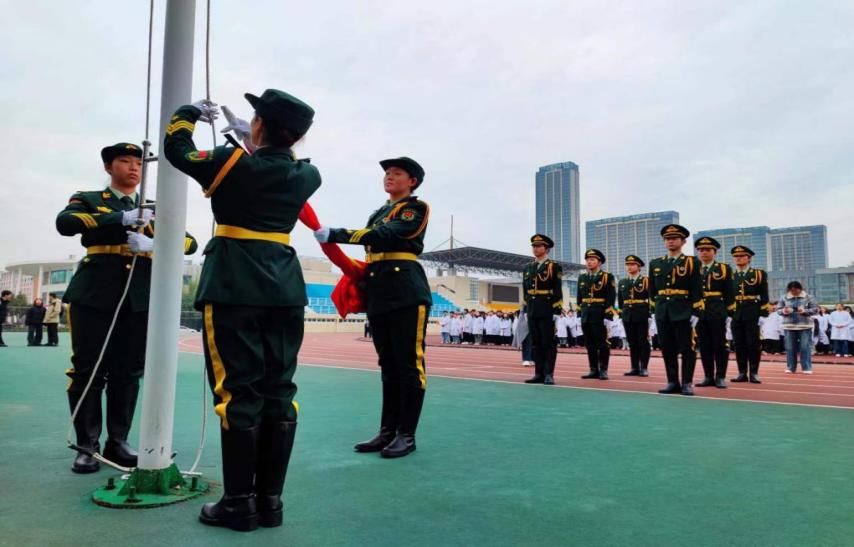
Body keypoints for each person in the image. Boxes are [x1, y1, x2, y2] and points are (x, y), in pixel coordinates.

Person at [165, 89, 318, 531]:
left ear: (259, 125)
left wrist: (188, 112)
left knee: (237, 393)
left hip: (234, 282)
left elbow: (178, 149)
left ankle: (238, 504)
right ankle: (270, 502)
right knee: (279, 391)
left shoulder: (229, 161)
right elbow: (274, 167)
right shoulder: (308, 175)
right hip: (285, 287)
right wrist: (253, 143)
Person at [56, 141, 199, 474]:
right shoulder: (90, 198)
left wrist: (155, 242)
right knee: (88, 369)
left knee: (128, 371)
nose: (134, 167)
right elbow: (66, 223)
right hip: (95, 293)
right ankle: (87, 445)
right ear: (109, 167)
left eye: (138, 162)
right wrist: (121, 217)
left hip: (139, 297)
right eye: (124, 161)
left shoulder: (156, 206)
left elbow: (189, 242)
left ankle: (117, 442)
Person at [315, 155, 431, 460]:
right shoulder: (378, 212)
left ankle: (406, 434)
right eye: (387, 173)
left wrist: (336, 234)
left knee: (409, 364)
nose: (389, 176)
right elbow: (373, 240)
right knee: (388, 364)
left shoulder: (415, 208)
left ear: (412, 181)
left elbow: (387, 235)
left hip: (406, 290)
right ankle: (387, 431)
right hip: (379, 289)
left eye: (397, 173)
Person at [648, 224, 703, 395]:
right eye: (667, 239)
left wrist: (696, 311)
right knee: (667, 348)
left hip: (683, 310)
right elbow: (652, 290)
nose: (670, 241)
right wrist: (653, 310)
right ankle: (672, 381)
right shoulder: (656, 263)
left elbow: (697, 288)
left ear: (683, 241)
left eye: (674, 238)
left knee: (687, 348)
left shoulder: (692, 262)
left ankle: (687, 382)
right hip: (663, 311)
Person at [522, 234, 564, 385]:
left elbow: (557, 289)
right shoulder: (528, 267)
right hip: (532, 308)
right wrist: (525, 309)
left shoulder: (553, 266)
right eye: (534, 246)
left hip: (547, 308)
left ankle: (548, 374)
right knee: (536, 342)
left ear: (546, 249)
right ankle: (538, 374)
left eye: (539, 246)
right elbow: (525, 290)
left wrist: (557, 310)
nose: (535, 248)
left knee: (548, 342)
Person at [693, 237, 733, 388]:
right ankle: (708, 376)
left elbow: (730, 292)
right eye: (701, 250)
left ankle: (720, 376)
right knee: (704, 345)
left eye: (707, 250)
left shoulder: (723, 269)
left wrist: (729, 313)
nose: (704, 253)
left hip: (717, 311)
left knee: (720, 345)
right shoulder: (693, 268)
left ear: (714, 252)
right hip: (699, 312)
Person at [729, 245, 770, 383]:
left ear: (749, 258)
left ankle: (754, 372)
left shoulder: (758, 274)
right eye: (736, 256)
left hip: (752, 311)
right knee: (738, 344)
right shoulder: (730, 275)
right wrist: (727, 313)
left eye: (742, 256)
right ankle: (742, 372)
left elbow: (764, 294)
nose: (738, 258)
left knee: (753, 343)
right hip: (736, 313)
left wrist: (763, 314)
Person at [577, 248, 616, 380]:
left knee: (602, 344)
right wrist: (579, 315)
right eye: (587, 260)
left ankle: (603, 370)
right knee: (589, 344)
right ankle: (593, 369)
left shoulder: (607, 277)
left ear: (599, 262)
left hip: (600, 314)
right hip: (586, 314)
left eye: (592, 260)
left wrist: (608, 316)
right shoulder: (582, 277)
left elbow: (611, 297)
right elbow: (579, 298)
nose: (589, 262)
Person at [618, 255, 651, 377]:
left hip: (642, 314)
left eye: (632, 264)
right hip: (627, 314)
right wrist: (621, 314)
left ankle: (644, 367)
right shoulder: (622, 282)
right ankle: (634, 367)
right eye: (627, 265)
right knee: (632, 342)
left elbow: (651, 298)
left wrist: (650, 314)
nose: (629, 267)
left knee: (643, 341)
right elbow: (620, 301)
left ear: (639, 266)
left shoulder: (646, 281)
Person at [777, 281, 818, 374]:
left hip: (805, 325)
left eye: (796, 290)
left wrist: (805, 311)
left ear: (800, 289)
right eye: (791, 290)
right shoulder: (784, 297)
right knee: (789, 348)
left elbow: (815, 309)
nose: (794, 292)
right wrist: (784, 311)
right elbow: (778, 310)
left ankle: (806, 367)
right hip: (789, 325)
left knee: (805, 347)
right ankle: (791, 367)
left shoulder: (809, 297)